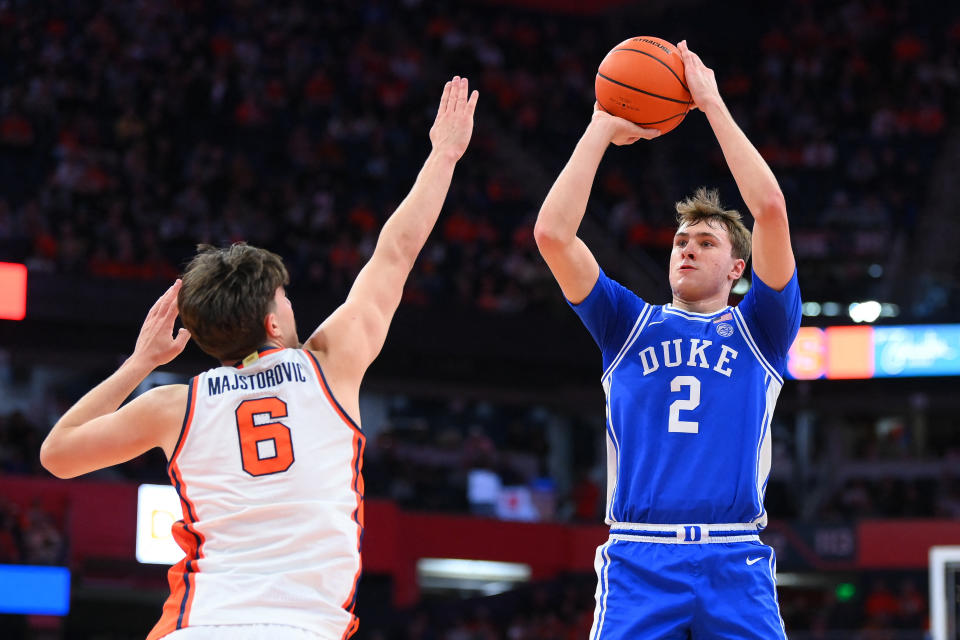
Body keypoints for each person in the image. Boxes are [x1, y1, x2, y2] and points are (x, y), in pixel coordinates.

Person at [39, 77, 479, 640]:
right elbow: (396, 252)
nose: (292, 303)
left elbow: (56, 455)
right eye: (286, 297)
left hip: (197, 626)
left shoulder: (173, 406)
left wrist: (139, 363)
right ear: (273, 323)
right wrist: (444, 154)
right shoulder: (330, 364)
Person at [534, 41, 800, 639]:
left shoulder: (762, 329)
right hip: (639, 556)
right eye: (682, 240)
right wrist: (600, 127)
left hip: (736, 555)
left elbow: (772, 210)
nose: (687, 248)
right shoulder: (625, 323)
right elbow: (552, 233)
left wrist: (710, 102)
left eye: (706, 243)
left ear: (738, 269)